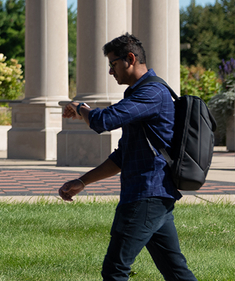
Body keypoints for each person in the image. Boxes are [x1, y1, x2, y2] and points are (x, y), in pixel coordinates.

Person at [57, 33, 197, 281]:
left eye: (113, 64)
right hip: (152, 196)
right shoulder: (139, 94)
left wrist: (80, 108)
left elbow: (103, 121)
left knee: (115, 269)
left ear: (130, 59)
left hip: (146, 196)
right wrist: (83, 182)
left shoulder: (152, 93)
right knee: (176, 272)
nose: (111, 72)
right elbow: (123, 156)